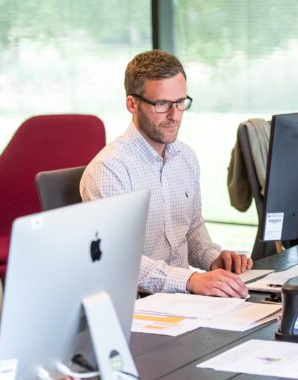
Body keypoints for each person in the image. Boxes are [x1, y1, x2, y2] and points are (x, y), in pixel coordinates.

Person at [80, 50, 252, 298]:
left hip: (183, 299)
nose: (175, 115)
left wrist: (215, 259)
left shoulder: (185, 157)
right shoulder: (110, 170)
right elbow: (117, 259)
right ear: (132, 104)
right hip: (138, 305)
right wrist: (191, 279)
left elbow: (191, 229)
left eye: (181, 102)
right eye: (161, 104)